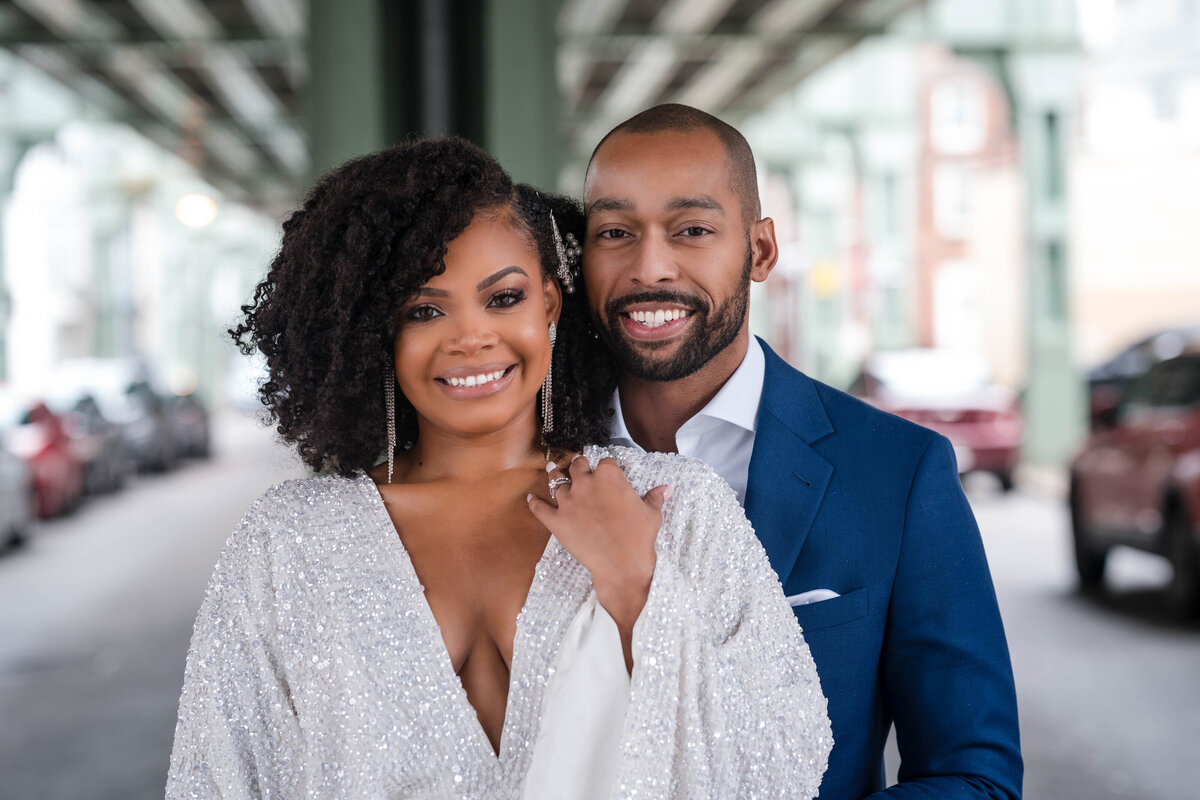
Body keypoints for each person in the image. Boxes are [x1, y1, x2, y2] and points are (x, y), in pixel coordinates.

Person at [166, 137, 832, 800]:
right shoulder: (287, 544)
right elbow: (214, 780)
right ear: (377, 332)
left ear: (548, 304)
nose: (471, 337)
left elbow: (784, 768)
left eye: (503, 298)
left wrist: (638, 587)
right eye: (424, 310)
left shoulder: (674, 506)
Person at [581, 103, 1023, 800]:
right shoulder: (527, 464)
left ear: (760, 251)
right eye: (614, 232)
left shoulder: (899, 475)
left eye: (692, 229)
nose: (650, 265)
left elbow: (974, 778)